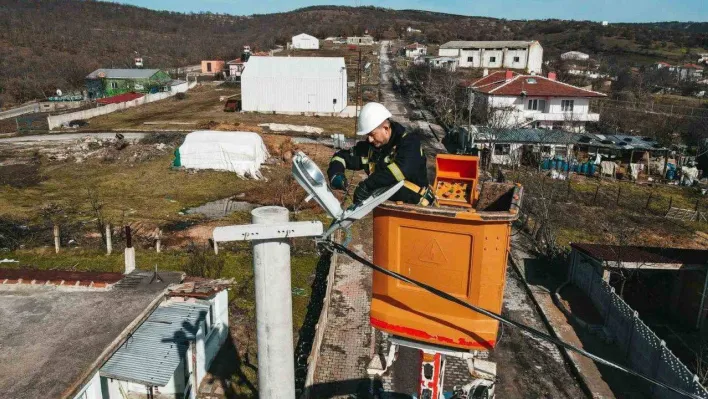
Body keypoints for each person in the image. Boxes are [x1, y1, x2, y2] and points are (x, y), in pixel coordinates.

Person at [327, 102, 435, 206]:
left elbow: (400, 170)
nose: (369, 139)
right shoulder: (372, 147)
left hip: (416, 210)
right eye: (367, 135)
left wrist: (367, 186)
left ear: (386, 129)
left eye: (372, 134)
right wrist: (336, 174)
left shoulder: (410, 143)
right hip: (387, 211)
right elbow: (341, 156)